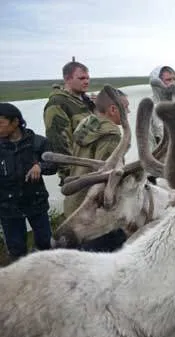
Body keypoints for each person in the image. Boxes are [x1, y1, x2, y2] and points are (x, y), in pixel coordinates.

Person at [62, 86, 130, 252]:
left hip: (75, 200)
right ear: (113, 109)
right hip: (92, 208)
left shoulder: (85, 124)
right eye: (126, 107)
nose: (128, 112)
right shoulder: (111, 134)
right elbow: (105, 176)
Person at [0, 103, 57, 262]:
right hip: (8, 208)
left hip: (36, 204)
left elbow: (53, 166)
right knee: (16, 250)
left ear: (15, 122)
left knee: (46, 245)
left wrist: (40, 166)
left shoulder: (38, 143)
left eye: (0, 123)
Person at [43, 61, 95, 185]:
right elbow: (59, 141)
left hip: (94, 169)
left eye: (88, 78)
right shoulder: (58, 104)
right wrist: (70, 174)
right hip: (78, 174)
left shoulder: (85, 101)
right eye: (82, 78)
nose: (86, 81)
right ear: (67, 79)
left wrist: (97, 109)